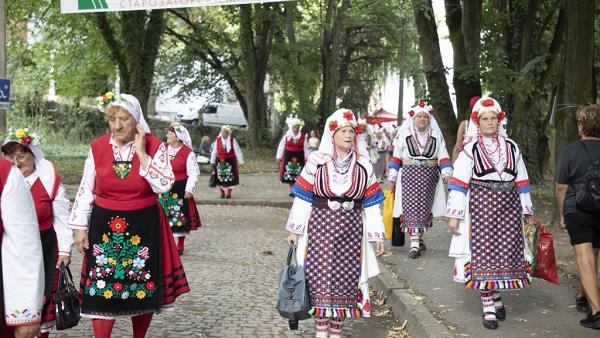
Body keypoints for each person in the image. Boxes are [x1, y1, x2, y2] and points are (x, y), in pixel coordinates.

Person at [68, 92, 190, 338]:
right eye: (112, 119)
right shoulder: (97, 147)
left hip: (144, 225)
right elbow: (85, 190)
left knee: (141, 286)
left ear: (136, 120)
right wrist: (81, 227)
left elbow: (164, 185)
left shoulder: (156, 147)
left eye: (123, 119)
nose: (117, 125)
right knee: (100, 289)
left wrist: (143, 155)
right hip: (104, 225)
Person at [285, 108, 385, 338]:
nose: (348, 135)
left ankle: (336, 332)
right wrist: (295, 230)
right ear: (333, 135)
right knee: (320, 278)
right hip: (320, 229)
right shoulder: (316, 162)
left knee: (346, 281)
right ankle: (321, 332)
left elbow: (371, 203)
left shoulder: (364, 163)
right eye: (343, 131)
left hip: (351, 231)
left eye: (351, 131)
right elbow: (303, 197)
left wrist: (377, 235)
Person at [446, 97, 534, 330]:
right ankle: (488, 306)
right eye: (485, 119)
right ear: (477, 122)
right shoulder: (470, 149)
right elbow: (458, 183)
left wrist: (526, 211)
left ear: (500, 120)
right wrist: (454, 215)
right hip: (480, 207)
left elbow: (522, 180)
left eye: (493, 118)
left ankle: (495, 297)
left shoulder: (512, 147)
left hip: (508, 207)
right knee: (483, 256)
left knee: (503, 254)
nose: (490, 123)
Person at [2, 128, 73, 337]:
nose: (16, 162)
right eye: (10, 156)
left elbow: (61, 217)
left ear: (34, 154)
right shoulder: (7, 181)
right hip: (11, 247)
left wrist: (64, 251)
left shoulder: (47, 179)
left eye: (22, 155)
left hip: (44, 247)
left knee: (41, 298)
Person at [555, 104, 600, 329]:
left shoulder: (571, 150)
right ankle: (584, 296)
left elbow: (561, 187)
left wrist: (563, 214)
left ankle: (596, 311)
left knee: (585, 257)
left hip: (578, 209)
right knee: (594, 253)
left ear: (582, 125)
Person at [388, 102, 452, 259]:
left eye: (425, 117)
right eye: (419, 116)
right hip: (409, 175)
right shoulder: (404, 134)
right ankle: (414, 244)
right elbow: (396, 156)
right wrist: (393, 177)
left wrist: (446, 173)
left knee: (424, 209)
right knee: (411, 208)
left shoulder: (436, 136)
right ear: (413, 119)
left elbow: (442, 155)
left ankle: (419, 237)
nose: (422, 119)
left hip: (429, 177)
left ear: (429, 119)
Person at [159, 122, 201, 256]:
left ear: (177, 137)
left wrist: (189, 189)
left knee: (179, 216)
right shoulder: (163, 149)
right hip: (163, 188)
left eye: (170, 133)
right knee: (163, 215)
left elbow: (193, 173)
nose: (167, 135)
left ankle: (180, 244)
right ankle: (166, 244)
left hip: (179, 189)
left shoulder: (188, 153)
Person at [276, 115, 309, 194]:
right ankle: (292, 189)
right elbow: (281, 146)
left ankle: (297, 189)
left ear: (299, 128)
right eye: (294, 128)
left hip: (299, 157)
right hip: (288, 157)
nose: (295, 129)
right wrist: (278, 157)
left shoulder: (303, 137)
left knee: (298, 173)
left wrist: (307, 158)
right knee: (290, 173)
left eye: (297, 128)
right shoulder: (287, 136)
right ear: (291, 127)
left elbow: (306, 148)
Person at [210, 125, 245, 199]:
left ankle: (229, 192)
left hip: (230, 161)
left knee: (230, 177)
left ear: (228, 133)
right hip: (219, 162)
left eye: (226, 132)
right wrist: (212, 160)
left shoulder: (232, 140)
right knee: (220, 177)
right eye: (223, 132)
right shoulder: (218, 140)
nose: (224, 134)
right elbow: (214, 151)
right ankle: (222, 192)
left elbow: (237, 151)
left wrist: (241, 161)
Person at [452, 96, 481, 161]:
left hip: (467, 159)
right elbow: (458, 147)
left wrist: (454, 166)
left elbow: (457, 146)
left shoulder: (464, 124)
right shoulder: (464, 124)